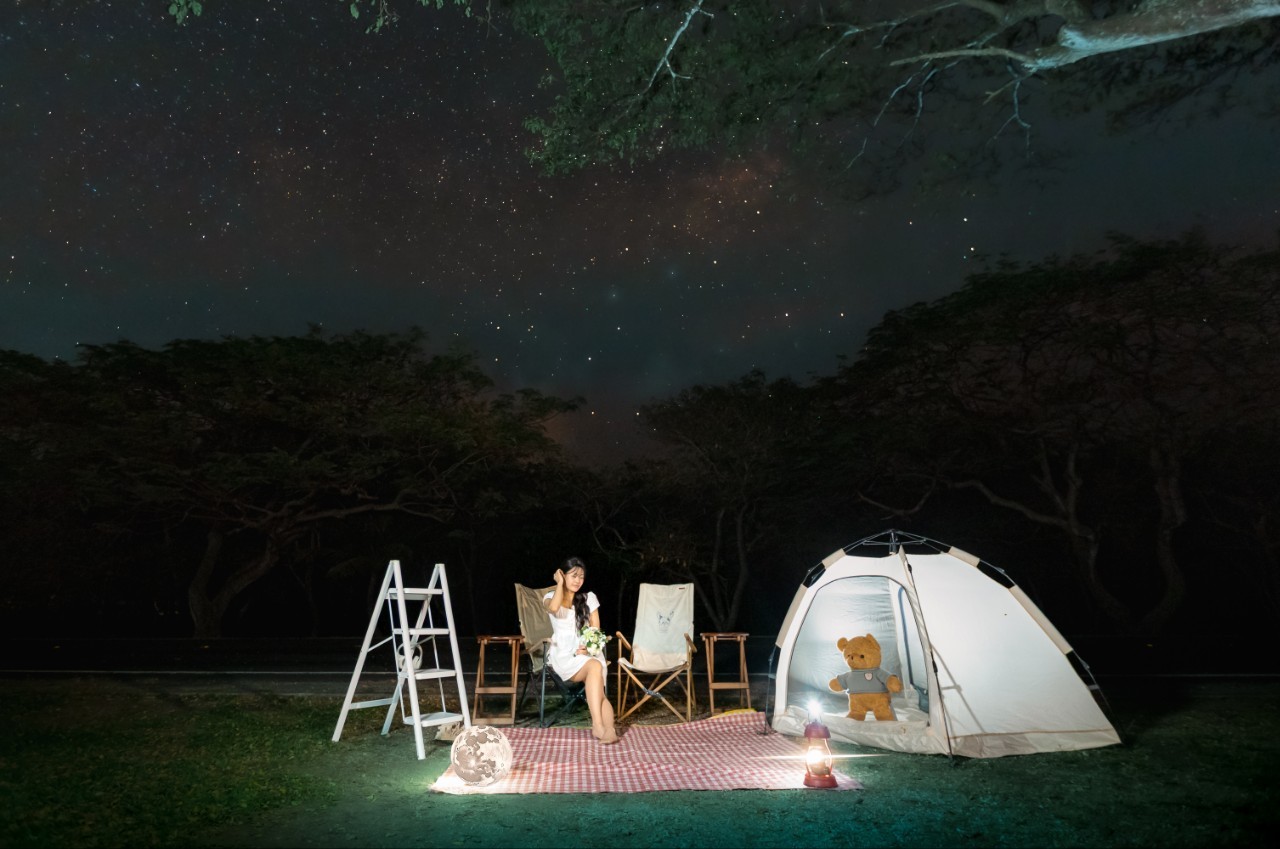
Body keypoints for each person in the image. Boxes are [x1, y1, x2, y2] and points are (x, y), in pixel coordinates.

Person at [543, 556, 619, 744]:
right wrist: (559, 584)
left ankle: (608, 730)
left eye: (581, 577)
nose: (578, 581)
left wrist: (590, 648)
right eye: (573, 576)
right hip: (564, 654)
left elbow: (595, 631)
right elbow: (554, 608)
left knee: (598, 683)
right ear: (562, 575)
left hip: (588, 652)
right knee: (595, 667)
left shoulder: (588, 598)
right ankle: (598, 725)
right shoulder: (550, 597)